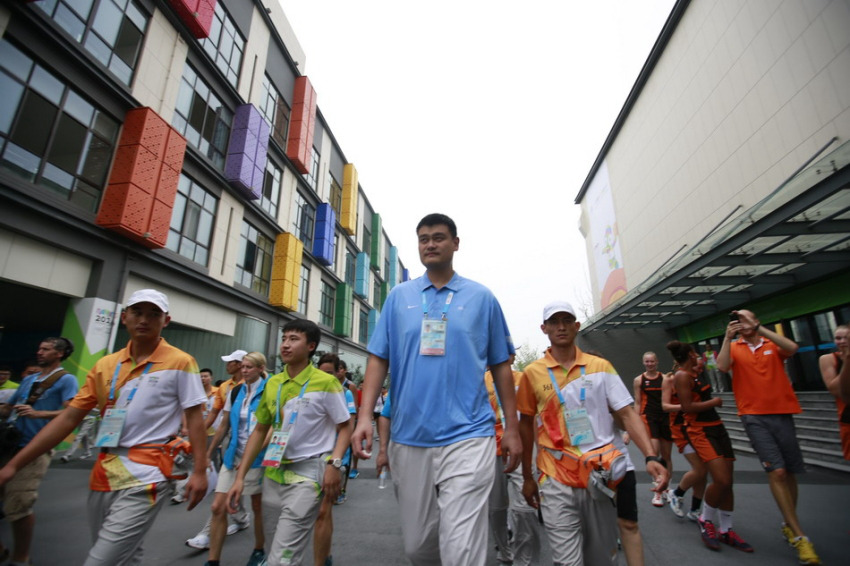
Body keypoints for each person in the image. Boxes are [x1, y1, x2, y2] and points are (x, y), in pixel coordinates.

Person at [351, 213, 521, 566]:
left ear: (455, 244)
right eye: (424, 238)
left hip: (469, 434)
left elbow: (501, 365)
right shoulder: (400, 298)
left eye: (439, 237)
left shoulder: (481, 298)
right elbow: (378, 359)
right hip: (409, 436)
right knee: (418, 546)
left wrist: (513, 428)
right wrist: (365, 416)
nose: (430, 244)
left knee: (461, 547)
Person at [0, 289, 209, 565]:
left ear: (166, 321)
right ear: (124, 317)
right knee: (126, 555)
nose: (144, 320)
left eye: (154, 314)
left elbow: (195, 418)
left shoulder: (181, 362)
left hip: (150, 472)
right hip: (104, 469)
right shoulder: (105, 365)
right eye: (137, 312)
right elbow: (69, 418)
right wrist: (15, 465)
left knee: (101, 560)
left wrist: (200, 471)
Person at [517, 301, 669, 566]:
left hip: (601, 473)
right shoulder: (532, 373)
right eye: (554, 322)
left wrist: (650, 456)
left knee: (600, 557)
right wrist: (527, 476)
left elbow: (626, 413)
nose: (561, 327)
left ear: (577, 326)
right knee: (567, 561)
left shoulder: (601, 366)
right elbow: (525, 426)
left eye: (567, 320)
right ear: (544, 328)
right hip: (555, 476)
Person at [226, 319, 351, 566]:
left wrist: (334, 464)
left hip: (308, 475)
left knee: (282, 558)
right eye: (284, 339)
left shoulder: (326, 383)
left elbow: (346, 426)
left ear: (311, 346)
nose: (285, 345)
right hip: (273, 473)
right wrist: (240, 478)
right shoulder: (273, 383)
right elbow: (260, 430)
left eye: (294, 339)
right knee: (278, 549)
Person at [717, 309, 820, 564]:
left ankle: (788, 522)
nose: (742, 323)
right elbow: (722, 366)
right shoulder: (736, 346)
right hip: (753, 416)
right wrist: (727, 338)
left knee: (790, 472)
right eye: (738, 320)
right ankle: (799, 536)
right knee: (778, 472)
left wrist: (760, 328)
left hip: (783, 412)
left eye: (745, 318)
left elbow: (793, 348)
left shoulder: (771, 343)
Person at [0, 337, 79, 566]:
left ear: (60, 353)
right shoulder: (29, 380)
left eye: (46, 349)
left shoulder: (66, 380)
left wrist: (39, 415)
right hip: (8, 445)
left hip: (35, 448)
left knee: (19, 504)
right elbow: (9, 408)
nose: (40, 352)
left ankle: (20, 558)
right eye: (39, 348)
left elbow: (71, 412)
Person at [667, 340, 751, 553]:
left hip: (717, 427)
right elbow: (687, 407)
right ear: (690, 354)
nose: (697, 356)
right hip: (700, 430)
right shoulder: (681, 376)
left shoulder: (694, 373)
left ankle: (726, 529)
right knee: (720, 479)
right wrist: (714, 402)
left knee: (727, 482)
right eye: (694, 353)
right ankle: (706, 519)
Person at [203, 352, 269, 566]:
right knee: (217, 507)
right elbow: (224, 425)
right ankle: (213, 560)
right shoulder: (236, 391)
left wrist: (253, 453)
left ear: (260, 368)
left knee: (257, 506)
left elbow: (270, 428)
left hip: (257, 458)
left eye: (249, 367)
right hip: (233, 456)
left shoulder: (269, 391)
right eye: (243, 366)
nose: (244, 370)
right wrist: (208, 452)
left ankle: (259, 549)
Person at [484, 357, 541, 566]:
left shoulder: (523, 379)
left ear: (512, 357)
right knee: (496, 509)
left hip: (521, 448)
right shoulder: (481, 380)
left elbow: (531, 418)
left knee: (526, 507)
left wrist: (538, 450)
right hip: (491, 451)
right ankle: (505, 551)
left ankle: (524, 559)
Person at [313, 353, 357, 566]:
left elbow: (349, 424)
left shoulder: (345, 394)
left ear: (339, 372)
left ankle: (322, 559)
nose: (325, 377)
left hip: (335, 457)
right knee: (316, 511)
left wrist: (340, 457)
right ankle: (324, 552)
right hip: (311, 458)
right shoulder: (310, 390)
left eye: (329, 373)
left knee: (323, 510)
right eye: (321, 373)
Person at [661, 362, 706, 522]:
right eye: (696, 366)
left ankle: (695, 509)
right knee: (699, 469)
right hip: (681, 429)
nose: (698, 370)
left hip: (699, 427)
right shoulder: (669, 380)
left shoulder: (695, 382)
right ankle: (677, 493)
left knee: (703, 470)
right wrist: (686, 406)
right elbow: (665, 406)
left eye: (701, 368)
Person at [632, 351, 673, 507]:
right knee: (654, 455)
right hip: (649, 418)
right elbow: (637, 402)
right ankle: (657, 490)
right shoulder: (639, 380)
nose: (649, 364)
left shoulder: (665, 379)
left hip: (665, 418)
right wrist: (634, 424)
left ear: (657, 362)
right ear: (643, 363)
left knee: (667, 456)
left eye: (652, 361)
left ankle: (667, 486)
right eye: (647, 362)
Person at [819, 325, 849, 461]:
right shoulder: (828, 359)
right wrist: (847, 360)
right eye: (838, 338)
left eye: (846, 338)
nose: (842, 341)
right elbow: (835, 389)